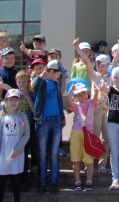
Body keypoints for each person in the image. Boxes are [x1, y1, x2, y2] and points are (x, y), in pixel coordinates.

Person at [73, 38, 113, 173]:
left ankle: (102, 164)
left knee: (105, 139)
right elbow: (85, 60)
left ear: (108, 65)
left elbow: (117, 59)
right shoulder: (94, 76)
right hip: (94, 111)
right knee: (93, 137)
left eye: (102, 65)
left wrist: (118, 47)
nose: (100, 67)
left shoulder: (112, 76)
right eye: (98, 65)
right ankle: (89, 162)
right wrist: (77, 47)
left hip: (107, 111)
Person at [94, 67, 119, 190]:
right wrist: (101, 85)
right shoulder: (111, 90)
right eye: (115, 77)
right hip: (111, 123)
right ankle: (115, 178)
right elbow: (103, 87)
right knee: (113, 152)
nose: (117, 80)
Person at [30, 60, 65, 194]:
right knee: (42, 153)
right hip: (43, 121)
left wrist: (61, 115)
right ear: (51, 72)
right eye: (57, 73)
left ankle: (54, 182)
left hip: (56, 120)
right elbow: (34, 85)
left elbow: (59, 100)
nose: (59, 75)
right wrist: (41, 75)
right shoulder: (42, 81)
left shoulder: (56, 83)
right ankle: (42, 182)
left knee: (54, 153)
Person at [0, 89, 30, 202]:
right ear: (6, 101)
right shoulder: (1, 117)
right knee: (1, 180)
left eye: (15, 100)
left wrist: (18, 148)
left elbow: (26, 134)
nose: (13, 102)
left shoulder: (22, 116)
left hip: (16, 153)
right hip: (3, 152)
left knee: (16, 180)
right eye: (11, 100)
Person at [66, 82, 95, 192]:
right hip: (76, 132)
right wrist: (70, 91)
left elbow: (96, 99)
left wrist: (96, 91)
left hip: (88, 132)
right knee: (76, 159)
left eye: (84, 94)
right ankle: (77, 182)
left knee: (89, 159)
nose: (83, 96)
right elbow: (69, 101)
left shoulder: (91, 103)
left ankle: (89, 181)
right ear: (76, 97)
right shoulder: (76, 105)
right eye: (80, 94)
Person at [15, 70, 35, 191]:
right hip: (15, 130)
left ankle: (24, 180)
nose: (22, 84)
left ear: (28, 83)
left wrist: (27, 95)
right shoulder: (14, 93)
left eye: (24, 82)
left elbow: (33, 110)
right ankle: (15, 179)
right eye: (20, 82)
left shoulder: (31, 94)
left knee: (24, 155)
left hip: (26, 129)